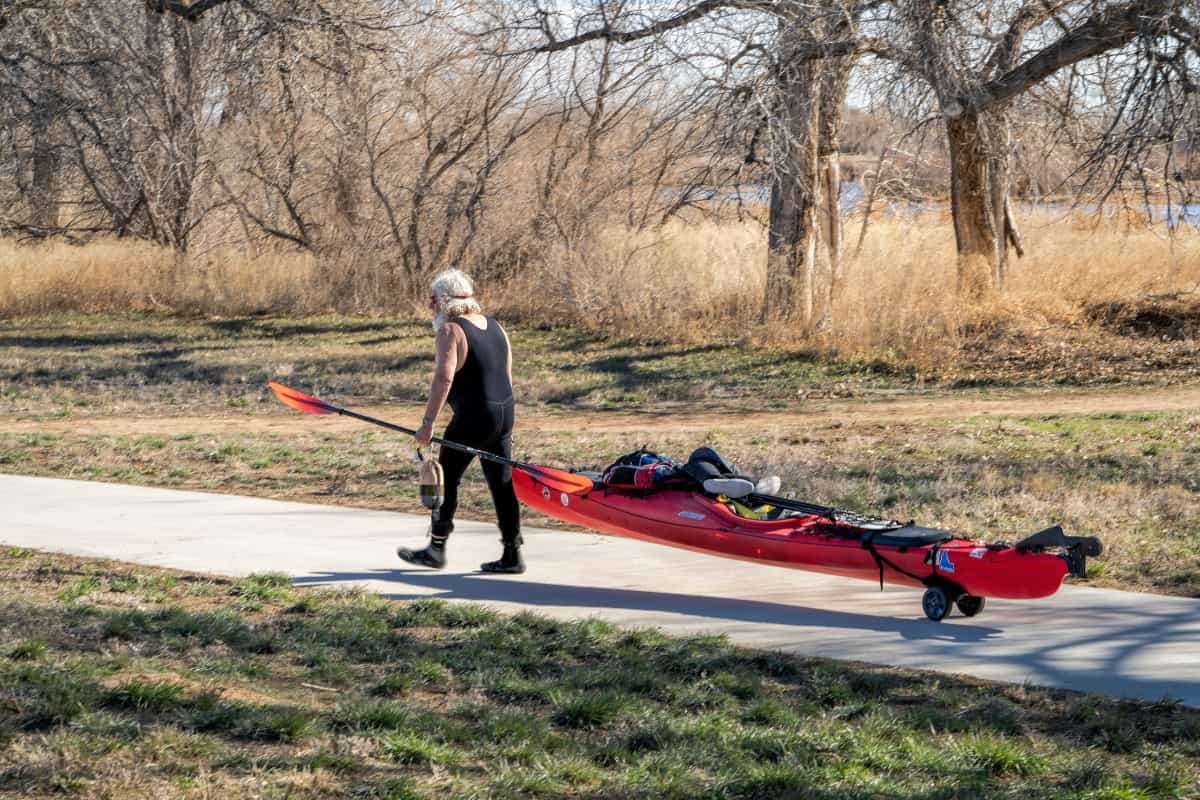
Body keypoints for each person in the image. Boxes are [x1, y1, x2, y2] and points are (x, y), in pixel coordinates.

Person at [396, 269, 524, 573]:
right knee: (501, 482)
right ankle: (512, 554)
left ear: (443, 300)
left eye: (432, 299)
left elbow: (444, 378)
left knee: (446, 477)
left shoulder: (451, 331)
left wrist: (427, 424)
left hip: (475, 417)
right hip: (504, 413)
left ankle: (436, 549)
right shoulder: (495, 326)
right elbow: (506, 373)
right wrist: (499, 417)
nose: (429, 306)